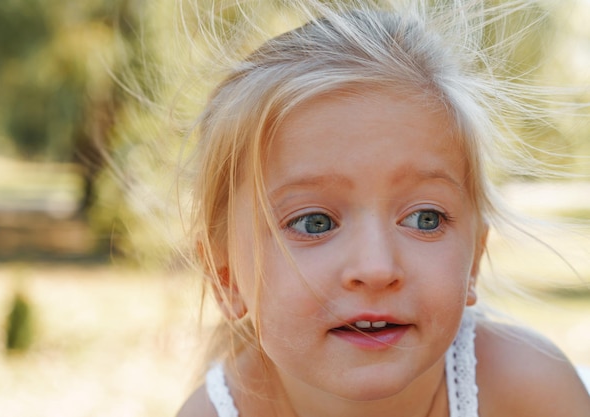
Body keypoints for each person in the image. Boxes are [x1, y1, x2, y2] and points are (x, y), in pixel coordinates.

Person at [173, 1, 590, 416]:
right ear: (225, 277)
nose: (376, 269)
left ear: (474, 260)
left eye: (425, 219)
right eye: (314, 223)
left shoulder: (530, 390)